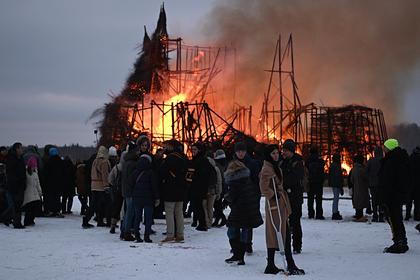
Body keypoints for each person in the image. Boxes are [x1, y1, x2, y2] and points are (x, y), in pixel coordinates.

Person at [260, 144, 305, 275]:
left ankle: (274, 263)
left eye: (276, 153)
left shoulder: (274, 166)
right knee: (278, 232)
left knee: (282, 231)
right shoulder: (267, 168)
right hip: (275, 204)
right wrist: (273, 195)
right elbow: (263, 186)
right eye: (273, 153)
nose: (276, 155)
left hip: (281, 202)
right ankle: (285, 263)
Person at [224, 155, 263, 266]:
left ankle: (237, 254)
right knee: (243, 231)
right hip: (248, 209)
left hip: (239, 210)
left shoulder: (235, 181)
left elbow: (232, 197)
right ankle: (240, 256)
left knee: (232, 231)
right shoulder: (246, 179)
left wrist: (227, 198)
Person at [378, 139, 409, 254]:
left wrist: (384, 198)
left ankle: (398, 243)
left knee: (394, 219)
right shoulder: (401, 159)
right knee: (397, 219)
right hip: (398, 195)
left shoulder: (392, 161)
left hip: (392, 196)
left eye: (385, 147)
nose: (384, 149)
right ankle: (402, 241)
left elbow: (387, 181)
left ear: (389, 148)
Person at [232, 141, 261, 253]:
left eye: (242, 151)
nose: (240, 153)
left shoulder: (252, 164)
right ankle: (237, 245)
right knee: (236, 222)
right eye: (238, 151)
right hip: (237, 197)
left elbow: (256, 180)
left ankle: (247, 244)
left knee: (248, 222)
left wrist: (253, 193)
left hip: (250, 196)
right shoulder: (233, 163)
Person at [279, 139, 304, 254]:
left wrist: (283, 182)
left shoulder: (298, 162)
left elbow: (295, 179)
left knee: (295, 221)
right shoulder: (281, 162)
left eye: (285, 151)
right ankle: (284, 244)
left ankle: (297, 245)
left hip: (295, 197)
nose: (283, 153)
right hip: (284, 196)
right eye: (283, 150)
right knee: (283, 222)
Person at [161, 140, 188, 242]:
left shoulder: (170, 158)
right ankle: (180, 234)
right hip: (181, 189)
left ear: (171, 146)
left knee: (169, 213)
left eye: (166, 146)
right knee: (179, 212)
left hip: (170, 189)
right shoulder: (183, 157)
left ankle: (170, 234)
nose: (165, 148)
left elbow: (163, 172)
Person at [132, 154, 159, 243]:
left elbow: (131, 185)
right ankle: (147, 236)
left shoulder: (135, 172)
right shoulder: (151, 172)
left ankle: (137, 236)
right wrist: (157, 197)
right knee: (148, 218)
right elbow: (154, 186)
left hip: (137, 198)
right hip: (148, 198)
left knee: (137, 217)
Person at [82, 146, 111, 228]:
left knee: (95, 204)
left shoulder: (95, 161)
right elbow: (105, 175)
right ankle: (98, 220)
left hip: (94, 185)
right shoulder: (104, 162)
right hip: (101, 186)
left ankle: (93, 220)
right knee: (104, 204)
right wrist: (106, 185)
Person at [190, 142, 213, 231]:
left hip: (199, 187)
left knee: (199, 206)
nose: (193, 152)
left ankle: (202, 223)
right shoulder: (198, 160)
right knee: (197, 206)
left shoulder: (201, 160)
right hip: (197, 186)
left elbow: (203, 175)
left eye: (195, 150)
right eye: (192, 150)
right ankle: (201, 222)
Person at [119, 142, 139, 240]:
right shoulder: (133, 163)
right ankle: (127, 232)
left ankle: (123, 231)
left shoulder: (126, 162)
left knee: (127, 211)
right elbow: (132, 179)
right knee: (130, 212)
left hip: (126, 190)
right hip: (131, 191)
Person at [6, 143, 26, 228]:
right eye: (21, 148)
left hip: (20, 184)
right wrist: (17, 182)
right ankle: (17, 223)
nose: (22, 150)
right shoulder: (11, 158)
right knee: (16, 205)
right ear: (16, 149)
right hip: (14, 185)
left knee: (18, 204)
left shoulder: (20, 158)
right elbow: (11, 173)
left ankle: (10, 219)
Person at [44, 147, 65, 217]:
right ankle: (58, 210)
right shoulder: (60, 161)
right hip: (59, 182)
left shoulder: (48, 161)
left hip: (50, 183)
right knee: (57, 197)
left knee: (51, 197)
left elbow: (46, 173)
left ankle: (51, 210)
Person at [22, 156, 42, 226]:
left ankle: (31, 220)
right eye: (33, 166)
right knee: (29, 208)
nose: (34, 167)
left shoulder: (35, 173)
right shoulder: (26, 173)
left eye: (35, 166)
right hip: (28, 192)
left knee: (35, 207)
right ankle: (27, 221)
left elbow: (38, 183)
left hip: (35, 193)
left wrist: (40, 191)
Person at [366, 146, 385, 222]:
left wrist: (369, 179)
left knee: (374, 200)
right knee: (381, 201)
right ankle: (381, 216)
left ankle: (375, 216)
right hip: (381, 184)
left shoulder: (371, 161)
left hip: (373, 184)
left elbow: (366, 171)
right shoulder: (384, 161)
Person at [108, 151, 125, 234]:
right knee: (124, 210)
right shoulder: (130, 166)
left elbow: (110, 179)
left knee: (116, 209)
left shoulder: (117, 167)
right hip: (127, 191)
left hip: (117, 191)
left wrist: (114, 185)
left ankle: (112, 226)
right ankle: (124, 226)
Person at [306, 147, 325, 219]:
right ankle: (319, 214)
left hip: (310, 182)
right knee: (319, 199)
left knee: (310, 199)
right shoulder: (320, 160)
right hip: (319, 182)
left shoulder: (308, 160)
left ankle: (311, 214)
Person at [350, 155, 370, 222]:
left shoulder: (353, 169)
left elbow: (351, 179)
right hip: (362, 188)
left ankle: (358, 215)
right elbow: (366, 177)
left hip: (356, 188)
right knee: (361, 201)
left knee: (357, 201)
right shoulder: (362, 169)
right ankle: (360, 216)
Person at [212, 149, 228, 227]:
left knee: (217, 205)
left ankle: (222, 219)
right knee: (218, 205)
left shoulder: (217, 165)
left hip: (219, 186)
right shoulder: (225, 164)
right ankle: (218, 219)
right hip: (224, 186)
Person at [328, 153, 344, 220]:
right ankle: (335, 213)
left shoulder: (332, 165)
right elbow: (338, 176)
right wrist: (340, 186)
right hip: (336, 184)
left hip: (333, 183)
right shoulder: (337, 166)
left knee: (335, 198)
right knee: (336, 199)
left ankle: (335, 212)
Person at [408, 147, 420, 221]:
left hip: (410, 183)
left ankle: (407, 215)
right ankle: (417, 215)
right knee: (417, 201)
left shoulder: (410, 159)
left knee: (409, 200)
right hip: (418, 183)